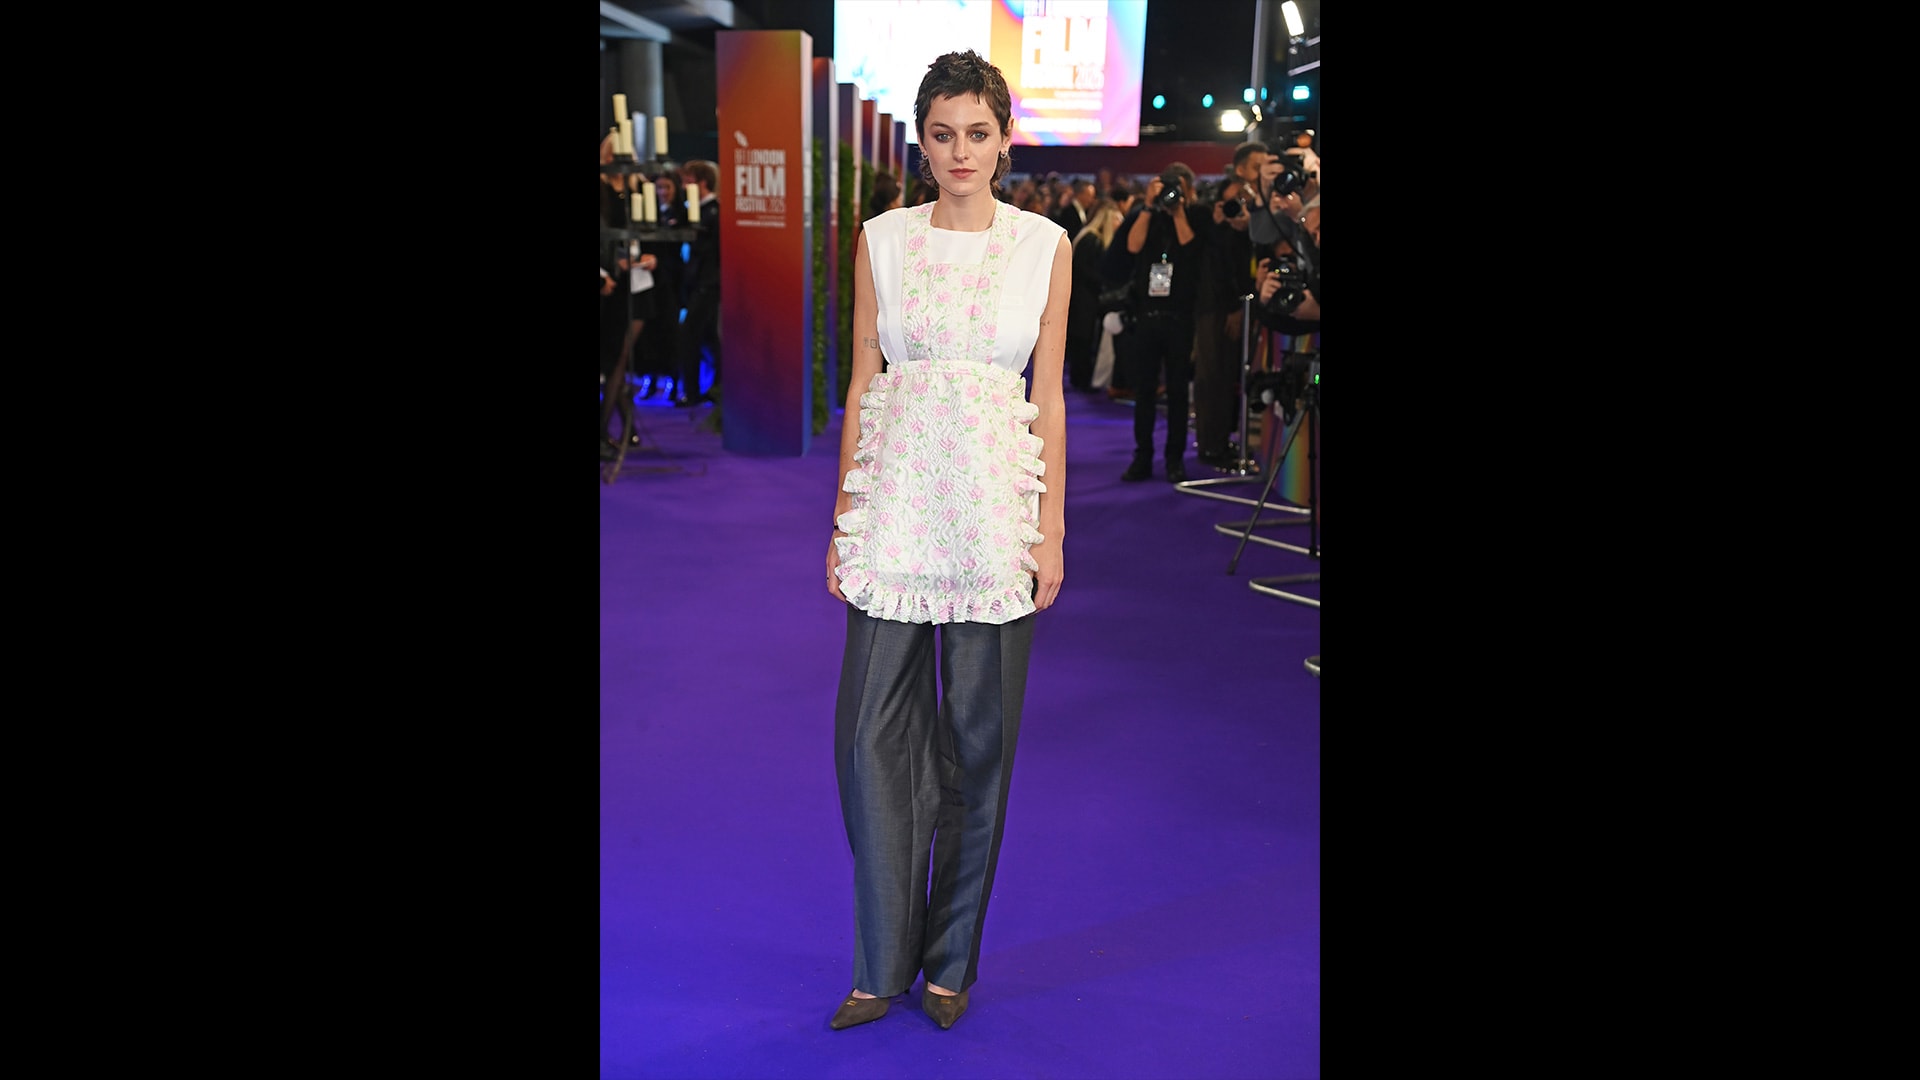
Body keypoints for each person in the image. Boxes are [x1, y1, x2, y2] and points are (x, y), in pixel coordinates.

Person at [824, 48, 1068, 1034]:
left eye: (978, 132)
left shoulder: (1045, 244)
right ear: (920, 144)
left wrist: (1051, 529)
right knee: (865, 737)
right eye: (942, 134)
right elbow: (862, 381)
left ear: (1004, 140)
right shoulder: (881, 240)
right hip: (894, 509)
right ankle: (880, 959)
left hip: (995, 514)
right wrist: (842, 516)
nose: (960, 151)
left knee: (979, 743)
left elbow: (1049, 394)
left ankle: (949, 963)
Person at [1114, 162, 1208, 483]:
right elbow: (1132, 246)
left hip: (1180, 316)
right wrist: (1148, 206)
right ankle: (1142, 456)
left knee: (1178, 391)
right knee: (1144, 391)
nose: (1171, 193)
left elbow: (1190, 248)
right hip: (1147, 315)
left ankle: (1174, 459)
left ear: (1189, 189)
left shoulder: (1196, 215)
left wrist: (1178, 209)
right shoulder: (1147, 214)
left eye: (1177, 187)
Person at [672, 159, 722, 407]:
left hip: (708, 283)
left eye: (688, 182)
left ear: (702, 183)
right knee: (709, 337)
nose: (683, 187)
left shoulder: (714, 212)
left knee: (690, 335)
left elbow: (711, 250)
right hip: (697, 282)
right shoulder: (692, 211)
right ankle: (717, 387)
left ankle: (692, 391)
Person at [1066, 198, 1121, 392]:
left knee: (1083, 339)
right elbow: (1086, 271)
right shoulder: (1091, 240)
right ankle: (1082, 380)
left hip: (1084, 299)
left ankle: (1082, 379)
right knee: (1083, 340)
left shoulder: (1087, 238)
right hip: (1084, 300)